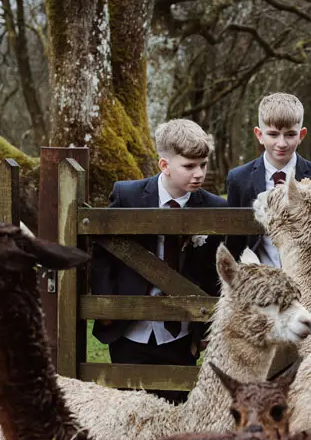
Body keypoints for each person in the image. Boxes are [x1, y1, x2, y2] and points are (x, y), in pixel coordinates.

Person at [90, 119, 228, 403]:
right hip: (129, 329)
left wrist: (206, 327)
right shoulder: (128, 195)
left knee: (175, 408)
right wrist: (107, 308)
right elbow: (103, 254)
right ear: (164, 165)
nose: (199, 173)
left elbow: (212, 274)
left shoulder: (215, 208)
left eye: (203, 164)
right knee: (127, 410)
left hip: (181, 332)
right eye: (189, 166)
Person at [225, 92, 311, 295]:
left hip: (310, 287)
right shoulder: (239, 179)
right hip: (261, 287)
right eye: (273, 134)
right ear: (259, 134)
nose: (281, 143)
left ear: (301, 135)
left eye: (290, 134)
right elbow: (235, 242)